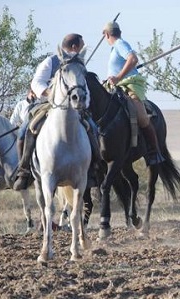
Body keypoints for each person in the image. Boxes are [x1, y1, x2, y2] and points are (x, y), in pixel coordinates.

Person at [13, 33, 101, 190]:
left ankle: (94, 169)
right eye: (81, 46)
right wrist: (50, 95)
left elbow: (84, 88)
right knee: (25, 130)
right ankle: (24, 171)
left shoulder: (79, 65)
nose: (81, 49)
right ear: (74, 47)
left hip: (74, 106)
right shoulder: (51, 61)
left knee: (93, 128)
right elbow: (36, 82)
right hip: (47, 104)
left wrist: (84, 104)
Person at [103, 21, 164, 166]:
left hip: (129, 85)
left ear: (106, 34)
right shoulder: (114, 48)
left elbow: (133, 59)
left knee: (142, 117)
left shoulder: (120, 44)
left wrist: (118, 77)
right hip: (114, 87)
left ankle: (154, 151)